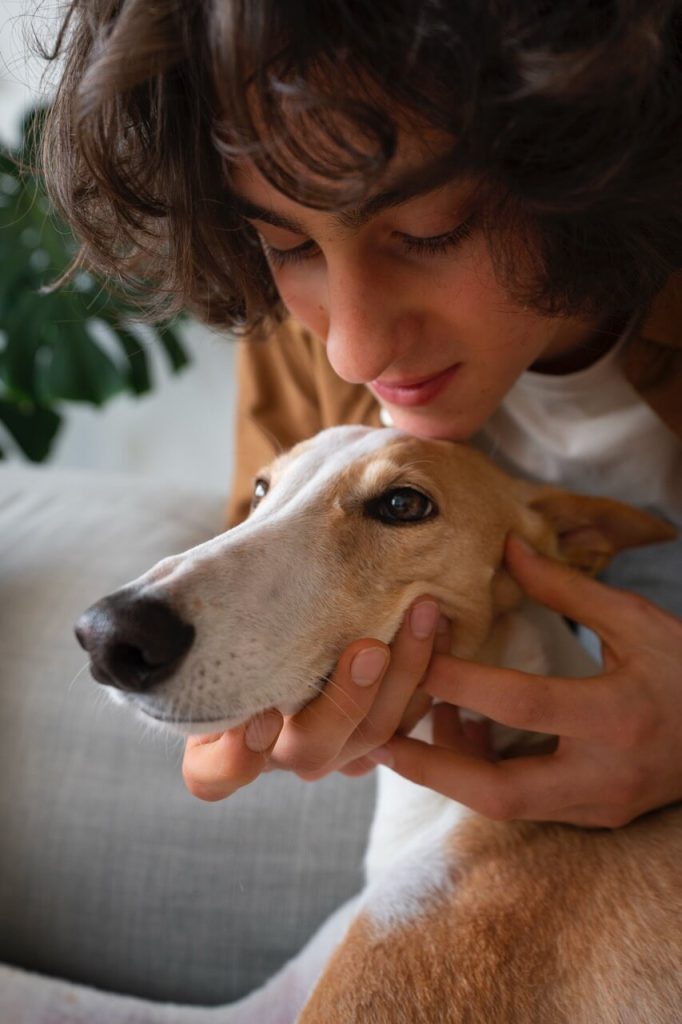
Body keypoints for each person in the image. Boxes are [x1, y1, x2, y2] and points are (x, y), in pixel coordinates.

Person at [43, 0, 682, 831]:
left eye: (427, 232)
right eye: (288, 246)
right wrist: (236, 726)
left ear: (583, 164)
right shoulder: (298, 353)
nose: (352, 351)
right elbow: (258, 595)